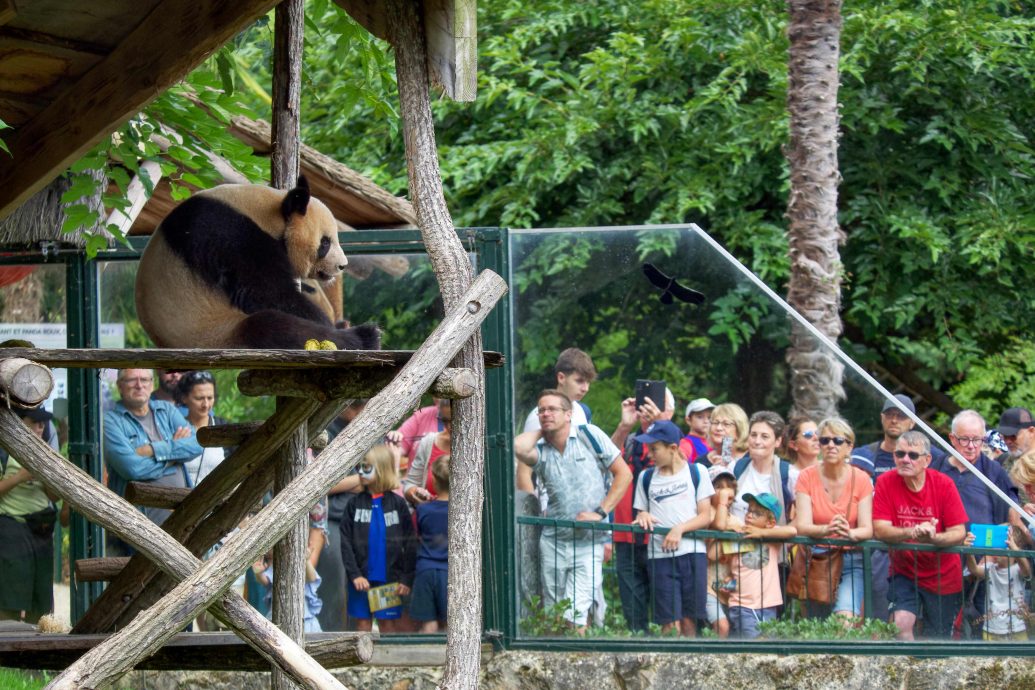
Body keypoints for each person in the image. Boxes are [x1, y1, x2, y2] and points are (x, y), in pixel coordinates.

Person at [514, 389, 631, 631]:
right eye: (541, 410)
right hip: (554, 540)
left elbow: (624, 474)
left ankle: (578, 660)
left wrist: (600, 512)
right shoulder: (542, 451)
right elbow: (518, 447)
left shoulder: (589, 435)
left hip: (588, 542)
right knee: (555, 613)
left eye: (552, 409)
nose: (545, 414)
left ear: (569, 414)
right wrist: (542, 429)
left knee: (576, 614)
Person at [873, 430, 968, 640]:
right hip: (904, 571)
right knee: (900, 624)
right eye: (900, 454)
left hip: (944, 576)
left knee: (939, 640)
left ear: (927, 460)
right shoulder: (885, 482)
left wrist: (933, 538)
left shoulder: (944, 484)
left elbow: (959, 532)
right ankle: (906, 670)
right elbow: (879, 529)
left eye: (913, 455)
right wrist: (913, 532)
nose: (905, 459)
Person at [103, 368, 202, 553]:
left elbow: (198, 444)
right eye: (132, 380)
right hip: (136, 531)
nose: (139, 385)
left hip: (180, 522)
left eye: (145, 379)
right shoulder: (110, 421)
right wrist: (174, 454)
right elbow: (132, 469)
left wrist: (153, 449)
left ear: (152, 384)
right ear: (120, 386)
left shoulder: (167, 410)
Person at [631, 420, 714, 636]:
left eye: (655, 449)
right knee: (668, 621)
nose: (649, 454)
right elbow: (640, 511)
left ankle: (690, 664)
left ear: (673, 448)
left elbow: (706, 514)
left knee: (690, 619)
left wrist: (680, 529)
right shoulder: (646, 477)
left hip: (692, 553)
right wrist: (644, 515)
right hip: (659, 555)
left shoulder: (697, 472)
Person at [793, 418, 874, 618]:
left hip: (851, 557)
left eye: (838, 441)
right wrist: (826, 530)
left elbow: (867, 529)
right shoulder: (806, 476)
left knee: (844, 620)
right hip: (816, 557)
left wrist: (848, 532)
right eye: (825, 440)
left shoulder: (862, 479)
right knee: (814, 622)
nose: (831, 445)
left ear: (849, 447)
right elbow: (802, 525)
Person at [608, 390, 672, 632]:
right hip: (627, 533)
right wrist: (625, 426)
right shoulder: (631, 440)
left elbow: (681, 466)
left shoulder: (676, 444)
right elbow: (607, 457)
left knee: (667, 612)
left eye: (657, 405)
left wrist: (660, 424)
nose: (649, 409)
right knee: (633, 615)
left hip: (662, 536)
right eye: (644, 404)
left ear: (671, 411)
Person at [339, 444, 415, 633]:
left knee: (387, 625)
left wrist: (406, 578)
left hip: (389, 579)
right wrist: (355, 574)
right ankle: (362, 662)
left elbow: (410, 542)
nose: (361, 472)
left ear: (381, 469)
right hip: (361, 579)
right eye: (360, 468)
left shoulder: (397, 504)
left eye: (367, 467)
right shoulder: (354, 504)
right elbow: (345, 541)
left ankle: (387, 663)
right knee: (363, 624)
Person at [0, 408, 59, 624]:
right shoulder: (4, 450)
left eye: (42, 425)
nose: (39, 429)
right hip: (11, 525)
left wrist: (45, 478)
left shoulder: (47, 452)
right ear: (18, 424)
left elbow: (55, 496)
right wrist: (20, 477)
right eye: (34, 423)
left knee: (41, 601)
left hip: (41, 527)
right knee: (10, 599)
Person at [517, 348, 598, 494]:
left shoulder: (582, 411)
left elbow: (599, 457)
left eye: (588, 382)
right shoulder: (541, 415)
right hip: (547, 507)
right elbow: (523, 471)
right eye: (579, 381)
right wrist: (530, 512)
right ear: (561, 378)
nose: (585, 388)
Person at [724, 493, 795, 638]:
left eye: (757, 513)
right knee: (755, 649)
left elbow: (792, 531)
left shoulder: (771, 536)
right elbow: (718, 557)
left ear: (770, 522)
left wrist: (761, 533)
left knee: (767, 651)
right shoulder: (739, 533)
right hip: (742, 605)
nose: (750, 515)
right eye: (748, 510)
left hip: (768, 604)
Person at [729, 411, 797, 527]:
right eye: (753, 435)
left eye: (764, 437)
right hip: (735, 543)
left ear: (777, 441)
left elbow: (802, 518)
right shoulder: (735, 467)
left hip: (772, 544)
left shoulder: (790, 474)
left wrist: (778, 536)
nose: (757, 441)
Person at [965, 526, 1031, 641]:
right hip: (992, 628)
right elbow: (974, 569)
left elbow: (1026, 570)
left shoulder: (1017, 570)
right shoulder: (991, 568)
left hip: (1016, 628)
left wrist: (1015, 550)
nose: (995, 551)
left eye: (1001, 546)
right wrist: (968, 551)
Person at [410, 455, 451, 632]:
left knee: (429, 621)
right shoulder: (461, 510)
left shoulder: (422, 509)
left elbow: (416, 535)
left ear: (434, 480)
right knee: (452, 622)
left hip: (425, 569)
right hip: (450, 571)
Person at [252, 544, 324, 633]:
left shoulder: (298, 565)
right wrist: (258, 573)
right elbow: (265, 581)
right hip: (278, 618)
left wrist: (306, 560)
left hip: (303, 619)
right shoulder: (273, 567)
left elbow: (311, 578)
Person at [177, 370, 230, 488]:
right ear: (184, 398)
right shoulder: (175, 429)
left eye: (210, 398)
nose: (206, 404)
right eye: (199, 398)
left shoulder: (224, 428)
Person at [402, 399, 451, 505]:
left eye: (454, 420)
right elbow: (410, 485)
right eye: (445, 421)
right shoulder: (429, 442)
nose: (449, 426)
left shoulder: (479, 444)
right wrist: (416, 492)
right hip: (431, 514)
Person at [396, 398, 443, 471]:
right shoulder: (422, 414)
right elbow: (397, 446)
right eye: (436, 394)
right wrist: (393, 438)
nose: (438, 398)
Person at [705, 403, 749, 468]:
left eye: (726, 424)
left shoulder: (751, 460)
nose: (718, 428)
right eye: (715, 422)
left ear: (739, 429)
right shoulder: (701, 462)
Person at [997, 407, 1035, 472]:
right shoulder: (1002, 461)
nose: (1008, 441)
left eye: (1013, 436)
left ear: (1031, 431)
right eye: (1005, 436)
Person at [679, 398, 714, 463]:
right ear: (688, 420)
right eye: (700, 417)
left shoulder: (714, 442)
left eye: (709, 417)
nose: (706, 421)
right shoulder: (685, 444)